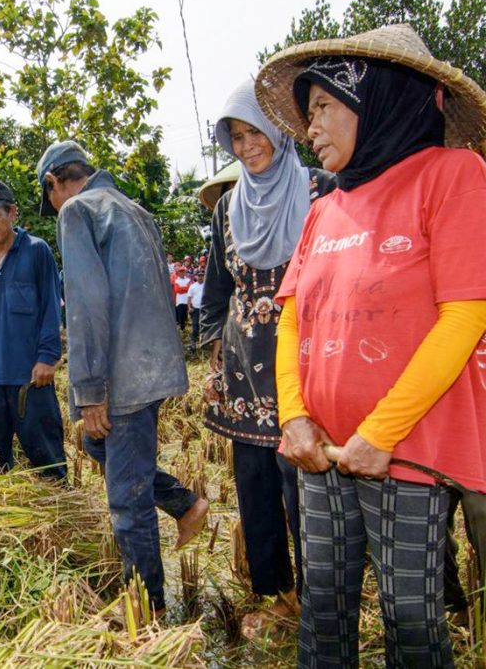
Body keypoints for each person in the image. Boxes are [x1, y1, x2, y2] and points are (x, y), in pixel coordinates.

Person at [257, 24, 486, 667]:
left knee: (410, 615)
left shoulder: (453, 176)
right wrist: (294, 417)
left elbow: (464, 318)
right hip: (322, 448)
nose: (312, 129)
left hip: (408, 450)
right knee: (323, 604)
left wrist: (382, 432)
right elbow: (292, 322)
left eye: (324, 107)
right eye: (307, 114)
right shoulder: (325, 208)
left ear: (375, 98)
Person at [199, 78, 337, 637]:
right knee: (254, 484)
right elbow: (213, 289)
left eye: (254, 130)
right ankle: (276, 593)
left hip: (304, 359)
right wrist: (213, 345)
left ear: (280, 130)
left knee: (303, 484)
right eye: (235, 135)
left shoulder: (321, 188)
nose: (246, 144)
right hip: (243, 365)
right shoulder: (229, 208)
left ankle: (319, 593)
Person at [37, 140, 193, 615]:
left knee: (127, 504)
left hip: (123, 376)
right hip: (157, 368)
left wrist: (90, 392)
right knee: (97, 448)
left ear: (53, 183)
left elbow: (86, 307)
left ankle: (149, 611)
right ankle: (185, 503)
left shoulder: (78, 211)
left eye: (49, 196)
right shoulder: (134, 209)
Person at [0, 177, 67, 480]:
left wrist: (48, 357)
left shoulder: (36, 251)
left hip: (30, 379)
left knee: (47, 459)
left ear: (12, 213)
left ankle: (60, 515)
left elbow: (50, 307)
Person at [186, 270, 205, 347]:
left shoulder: (207, 286)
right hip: (195, 308)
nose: (200, 277)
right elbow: (189, 298)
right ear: (196, 276)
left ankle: (203, 339)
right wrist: (189, 307)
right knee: (195, 324)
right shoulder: (192, 286)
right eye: (199, 275)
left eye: (202, 275)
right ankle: (194, 339)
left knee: (203, 324)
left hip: (204, 309)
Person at [172, 266, 191, 332]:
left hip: (187, 300)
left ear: (185, 272)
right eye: (181, 272)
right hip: (180, 301)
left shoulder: (188, 280)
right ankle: (182, 329)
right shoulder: (176, 280)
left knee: (187, 315)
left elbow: (189, 289)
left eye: (183, 271)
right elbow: (177, 290)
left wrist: (182, 288)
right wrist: (185, 288)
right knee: (181, 316)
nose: (182, 273)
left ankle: (187, 329)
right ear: (178, 273)